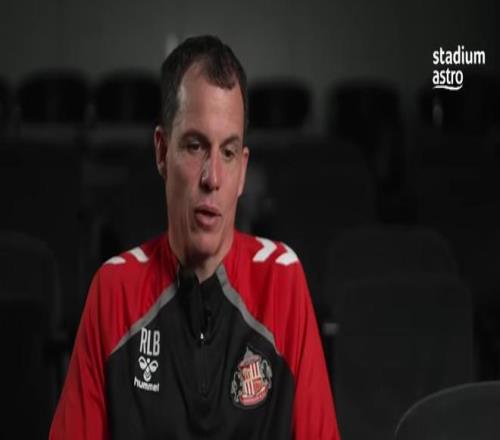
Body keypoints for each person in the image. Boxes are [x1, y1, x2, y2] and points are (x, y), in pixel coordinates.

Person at [50, 35, 340, 440]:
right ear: (161, 152)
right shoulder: (114, 290)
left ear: (243, 171)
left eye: (227, 153)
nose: (212, 178)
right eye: (195, 146)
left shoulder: (282, 279)